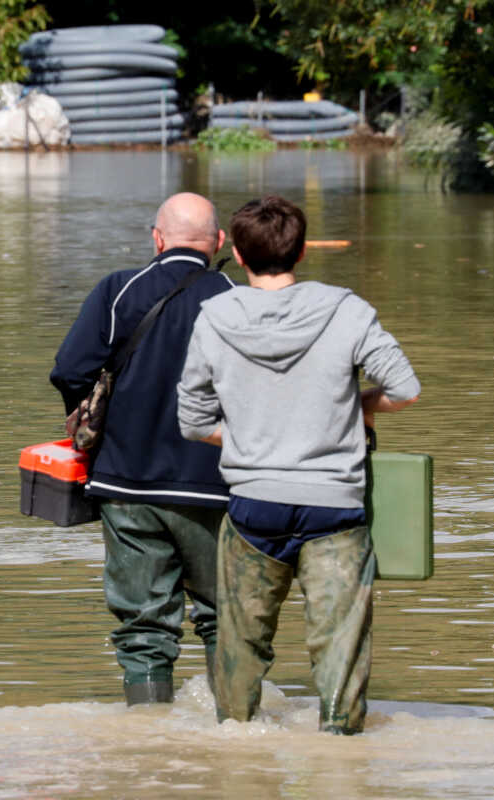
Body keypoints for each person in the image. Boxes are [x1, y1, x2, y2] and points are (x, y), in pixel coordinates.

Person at [177, 195, 420, 734]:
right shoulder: (347, 310)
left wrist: (248, 441)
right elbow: (405, 390)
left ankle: (235, 746)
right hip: (333, 507)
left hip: (253, 507)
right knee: (341, 649)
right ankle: (341, 752)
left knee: (240, 643)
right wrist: (358, 408)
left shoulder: (214, 318)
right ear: (303, 251)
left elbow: (192, 421)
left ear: (237, 255)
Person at [50, 192, 236, 705]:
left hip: (125, 484)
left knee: (143, 628)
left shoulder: (118, 289)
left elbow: (69, 370)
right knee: (226, 617)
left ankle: (148, 734)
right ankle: (237, 728)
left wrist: (98, 419)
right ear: (218, 242)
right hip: (214, 487)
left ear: (157, 240)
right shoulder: (235, 298)